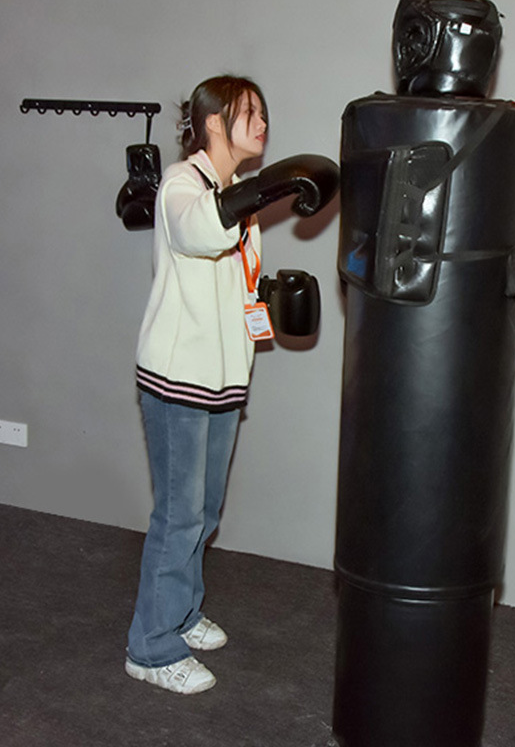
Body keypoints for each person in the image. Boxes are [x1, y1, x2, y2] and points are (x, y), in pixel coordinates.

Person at [124, 75, 337, 694]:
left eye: (266, 112)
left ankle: (182, 614)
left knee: (204, 510)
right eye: (250, 113)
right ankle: (151, 648)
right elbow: (197, 231)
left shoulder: (236, 190)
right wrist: (269, 191)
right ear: (214, 122)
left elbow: (232, 272)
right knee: (178, 516)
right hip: (176, 378)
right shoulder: (182, 185)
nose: (264, 122)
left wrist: (268, 301)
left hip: (221, 378)